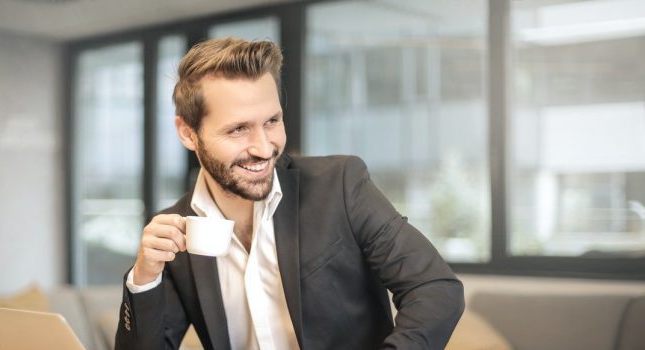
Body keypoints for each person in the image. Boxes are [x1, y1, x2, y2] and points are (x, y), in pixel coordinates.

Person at [115, 37, 464, 350]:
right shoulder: (177, 232)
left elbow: (435, 288)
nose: (265, 148)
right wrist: (144, 278)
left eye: (272, 121)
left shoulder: (340, 185)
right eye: (238, 129)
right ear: (188, 133)